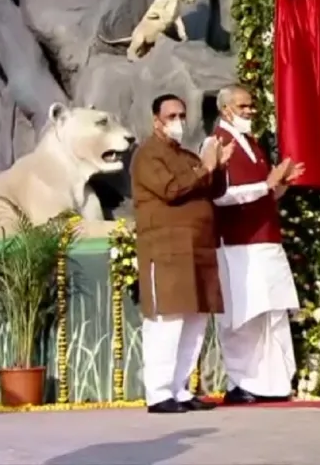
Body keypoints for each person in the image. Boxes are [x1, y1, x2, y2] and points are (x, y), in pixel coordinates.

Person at [131, 93, 236, 413]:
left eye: (181, 115)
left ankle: (180, 388)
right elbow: (171, 190)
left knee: (195, 319)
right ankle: (159, 393)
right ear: (156, 121)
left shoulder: (187, 156)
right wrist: (205, 167)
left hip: (198, 248)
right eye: (171, 116)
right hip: (167, 250)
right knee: (169, 320)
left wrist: (219, 166)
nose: (178, 121)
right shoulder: (148, 155)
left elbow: (214, 190)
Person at [205, 85, 304, 404]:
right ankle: (243, 383)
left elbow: (264, 194)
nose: (250, 111)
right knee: (243, 317)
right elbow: (219, 196)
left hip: (266, 240)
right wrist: (266, 184)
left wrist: (281, 185)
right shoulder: (215, 142)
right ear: (225, 110)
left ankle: (274, 384)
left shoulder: (252, 143)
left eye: (251, 106)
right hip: (237, 244)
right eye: (242, 106)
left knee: (271, 314)